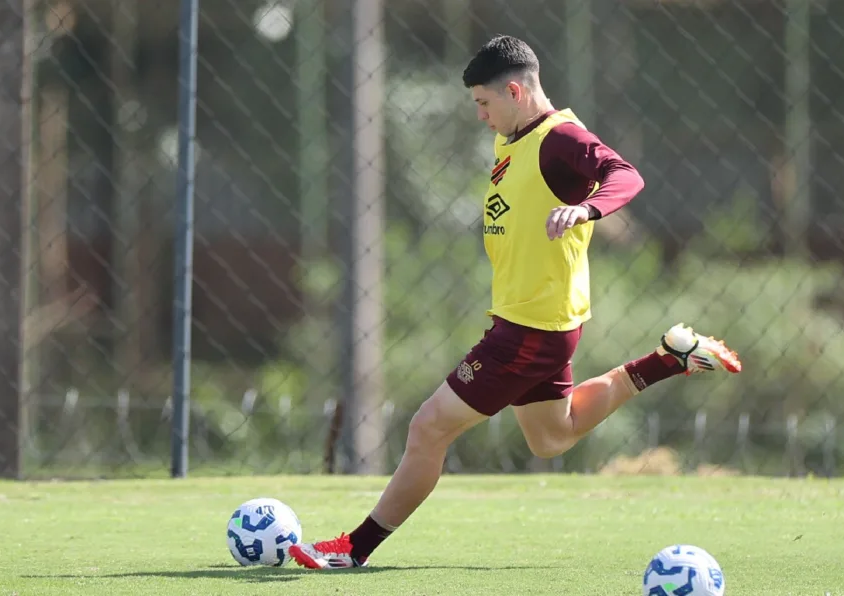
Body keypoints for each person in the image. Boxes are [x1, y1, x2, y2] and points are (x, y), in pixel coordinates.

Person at [289, 35, 741, 570]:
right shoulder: (514, 141)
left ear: (514, 91)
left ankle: (354, 549)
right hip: (536, 322)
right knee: (552, 438)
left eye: (484, 102)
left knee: (428, 428)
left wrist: (587, 210)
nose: (480, 115)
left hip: (530, 330)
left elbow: (626, 175)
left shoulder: (559, 137)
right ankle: (667, 359)